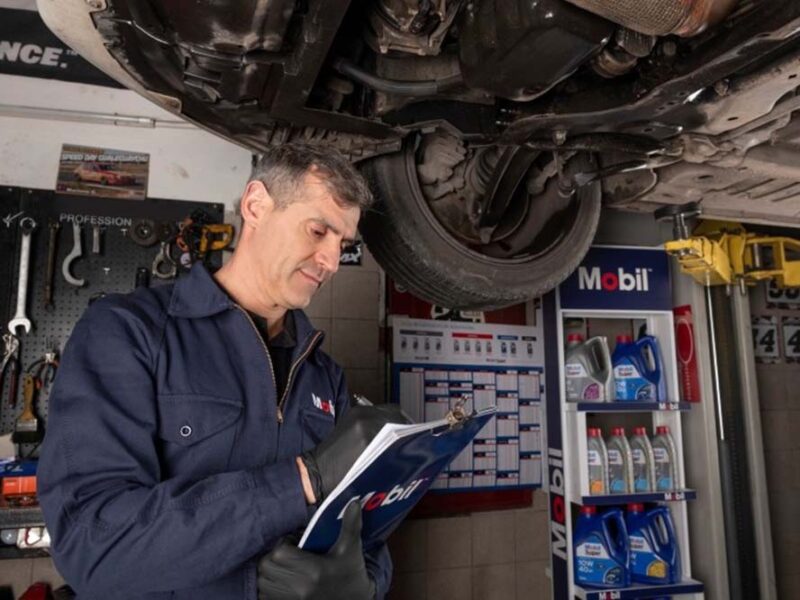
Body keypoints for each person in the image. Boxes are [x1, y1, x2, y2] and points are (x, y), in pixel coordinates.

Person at [38, 143, 405, 600]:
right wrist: (302, 479)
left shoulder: (323, 375)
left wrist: (365, 585)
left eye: (342, 244)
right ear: (256, 206)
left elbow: (365, 528)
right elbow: (94, 547)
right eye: (318, 231)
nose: (331, 261)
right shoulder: (128, 332)